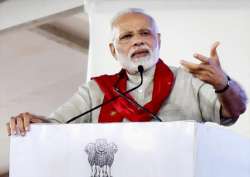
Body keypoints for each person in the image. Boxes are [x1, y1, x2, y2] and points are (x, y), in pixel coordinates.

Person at [6, 8, 247, 136]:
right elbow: (55, 127)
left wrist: (223, 84)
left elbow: (233, 110)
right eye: (127, 36)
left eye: (145, 33)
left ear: (158, 40)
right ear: (113, 50)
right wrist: (32, 123)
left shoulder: (186, 80)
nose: (138, 42)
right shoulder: (95, 92)